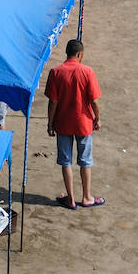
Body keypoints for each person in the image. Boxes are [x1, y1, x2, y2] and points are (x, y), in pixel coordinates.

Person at [45, 39, 104, 209]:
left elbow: (53, 102)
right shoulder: (87, 72)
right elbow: (94, 101)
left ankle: (70, 199)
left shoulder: (56, 72)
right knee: (85, 160)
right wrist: (97, 118)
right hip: (83, 123)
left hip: (62, 123)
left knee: (66, 161)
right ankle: (87, 197)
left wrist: (50, 123)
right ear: (80, 54)